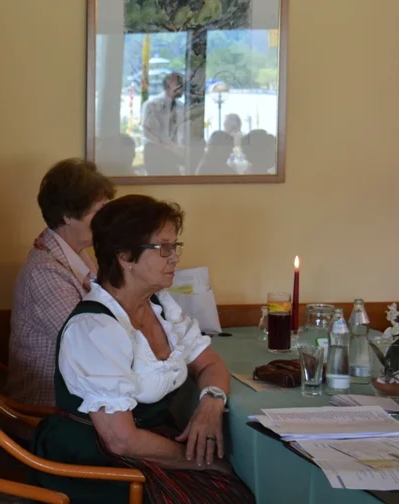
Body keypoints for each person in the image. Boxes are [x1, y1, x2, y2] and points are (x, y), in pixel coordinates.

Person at [30, 195, 254, 504]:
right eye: (164, 248)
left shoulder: (161, 307)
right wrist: (200, 461)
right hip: (96, 462)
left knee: (238, 487)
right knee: (230, 492)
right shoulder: (95, 328)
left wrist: (211, 403)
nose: (174, 258)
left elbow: (209, 363)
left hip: (141, 444)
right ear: (125, 256)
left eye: (175, 246)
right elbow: (120, 440)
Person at [7, 158, 116, 408]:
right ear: (68, 215)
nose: (106, 221)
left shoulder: (78, 255)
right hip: (49, 406)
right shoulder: (45, 272)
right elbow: (88, 345)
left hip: (79, 393)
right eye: (98, 212)